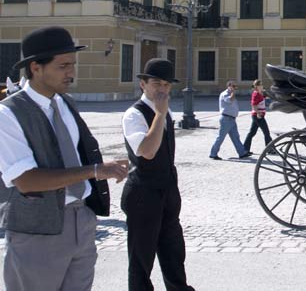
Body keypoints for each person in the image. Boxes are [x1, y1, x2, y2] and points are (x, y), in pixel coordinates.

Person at [0, 26, 128, 291]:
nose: (71, 72)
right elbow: (26, 181)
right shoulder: (7, 114)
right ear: (36, 67)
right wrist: (95, 170)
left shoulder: (65, 103)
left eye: (72, 65)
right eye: (63, 66)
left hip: (81, 221)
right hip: (37, 231)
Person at [121, 58, 194, 291]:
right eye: (156, 84)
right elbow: (147, 151)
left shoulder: (165, 111)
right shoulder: (134, 115)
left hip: (167, 191)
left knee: (174, 253)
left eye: (166, 85)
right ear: (143, 84)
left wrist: (162, 113)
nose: (162, 90)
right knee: (141, 260)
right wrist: (159, 115)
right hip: (143, 194)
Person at [209, 81, 252, 160]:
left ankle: (242, 153)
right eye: (233, 86)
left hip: (231, 119)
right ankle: (213, 154)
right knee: (221, 137)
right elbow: (229, 100)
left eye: (235, 86)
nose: (235, 88)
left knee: (236, 137)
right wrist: (232, 93)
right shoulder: (225, 94)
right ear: (229, 86)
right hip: (226, 119)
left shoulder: (231, 94)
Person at [243, 79, 272, 153]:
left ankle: (245, 149)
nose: (262, 86)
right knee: (266, 132)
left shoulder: (260, 93)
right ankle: (270, 149)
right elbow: (253, 105)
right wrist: (258, 113)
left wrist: (265, 94)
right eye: (260, 85)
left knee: (252, 133)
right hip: (258, 116)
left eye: (262, 84)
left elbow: (265, 99)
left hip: (257, 116)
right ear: (257, 86)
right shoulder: (256, 94)